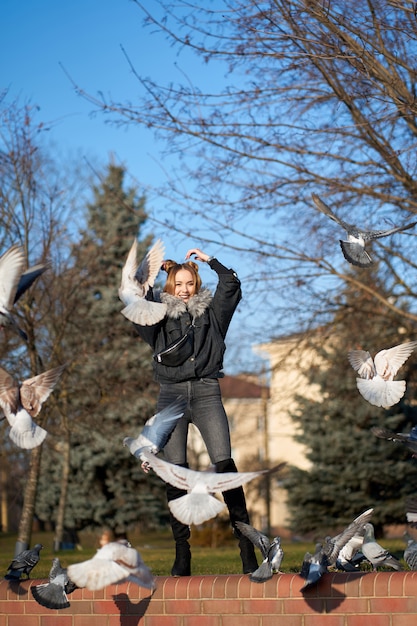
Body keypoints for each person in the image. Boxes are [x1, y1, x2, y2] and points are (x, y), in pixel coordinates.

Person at [133, 247, 258, 577]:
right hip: (170, 398)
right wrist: (147, 278)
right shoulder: (158, 317)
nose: (184, 289)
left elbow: (231, 283)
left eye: (189, 283)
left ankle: (246, 545)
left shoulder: (213, 314)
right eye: (178, 284)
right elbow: (135, 304)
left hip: (206, 393)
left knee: (224, 463)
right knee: (175, 472)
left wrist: (210, 260)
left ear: (196, 284)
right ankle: (182, 553)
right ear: (170, 286)